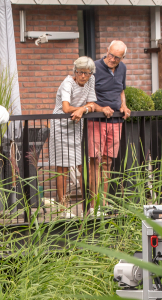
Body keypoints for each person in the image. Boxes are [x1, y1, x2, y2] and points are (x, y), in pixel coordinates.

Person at [47, 57, 106, 217]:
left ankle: (88, 208)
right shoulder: (67, 83)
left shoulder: (91, 80)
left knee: (82, 167)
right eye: (80, 73)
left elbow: (92, 102)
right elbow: (66, 108)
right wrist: (85, 109)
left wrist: (86, 109)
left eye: (87, 73)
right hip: (60, 127)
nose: (83, 77)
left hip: (76, 127)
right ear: (75, 72)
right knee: (62, 169)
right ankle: (63, 209)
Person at [88, 40, 130, 215]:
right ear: (107, 51)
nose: (112, 59)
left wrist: (124, 106)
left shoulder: (123, 69)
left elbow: (121, 90)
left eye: (117, 57)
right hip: (97, 120)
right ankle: (93, 206)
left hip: (115, 122)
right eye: (110, 55)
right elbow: (87, 96)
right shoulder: (94, 67)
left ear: (122, 58)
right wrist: (100, 109)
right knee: (95, 161)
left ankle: (103, 204)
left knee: (108, 162)